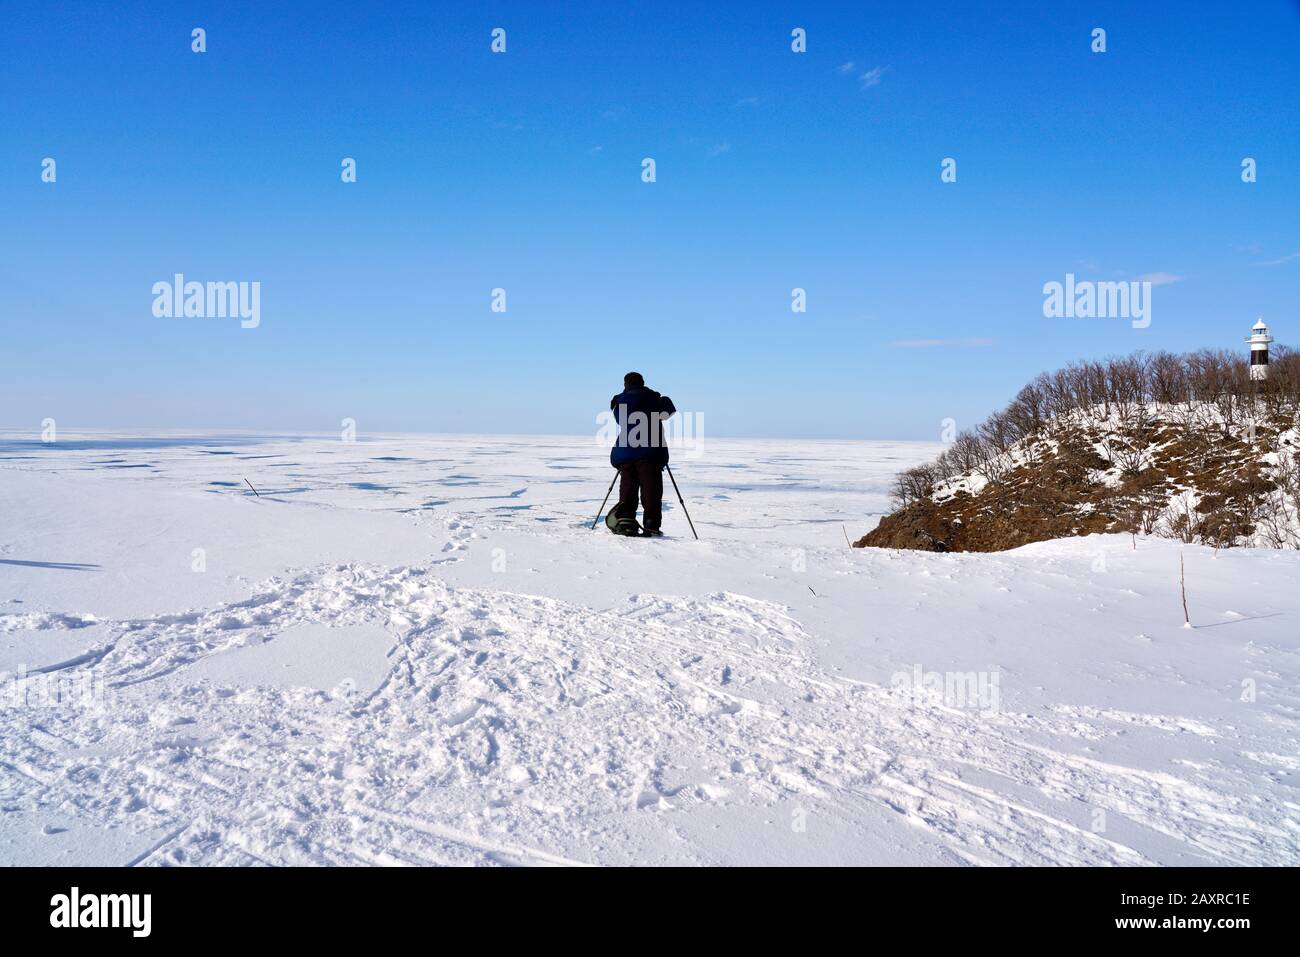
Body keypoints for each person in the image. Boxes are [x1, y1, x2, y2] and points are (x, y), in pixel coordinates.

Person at [609, 371, 676, 536]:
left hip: (626, 453)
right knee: (651, 491)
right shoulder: (654, 399)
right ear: (643, 382)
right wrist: (663, 399)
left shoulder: (620, 401)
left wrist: (616, 402)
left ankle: (626, 522)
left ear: (625, 384)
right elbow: (669, 411)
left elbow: (619, 418)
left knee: (628, 490)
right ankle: (651, 525)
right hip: (650, 453)